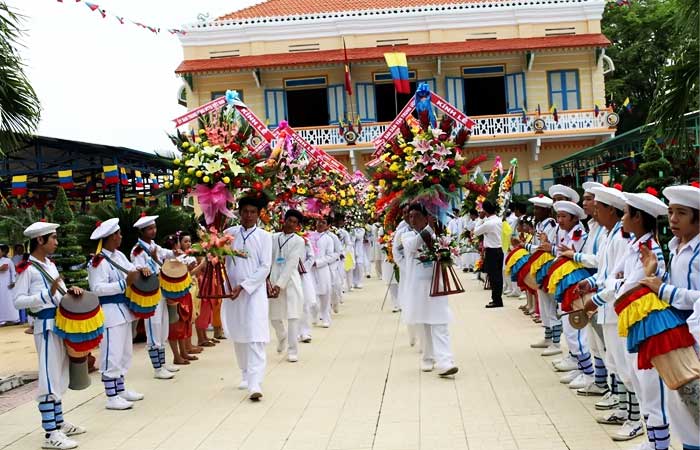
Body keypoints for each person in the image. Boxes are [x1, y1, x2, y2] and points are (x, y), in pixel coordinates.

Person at [585, 190, 669, 444]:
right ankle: (649, 436)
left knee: (645, 381)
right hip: (626, 315)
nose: (623, 218)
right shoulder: (634, 245)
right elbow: (614, 276)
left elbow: (630, 285)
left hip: (642, 320)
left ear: (639, 218)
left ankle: (652, 436)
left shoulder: (650, 251)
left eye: (627, 213)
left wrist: (601, 295)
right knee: (628, 371)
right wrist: (605, 286)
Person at [637, 184, 700, 450]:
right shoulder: (676, 247)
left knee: (694, 406)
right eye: (671, 212)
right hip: (679, 336)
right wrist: (655, 274)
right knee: (682, 408)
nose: (673, 219)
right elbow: (674, 285)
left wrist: (663, 289)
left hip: (695, 336)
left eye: (681, 213)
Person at [13, 222, 86, 450]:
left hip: (61, 322)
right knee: (48, 377)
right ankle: (50, 433)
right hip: (44, 326)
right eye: (52, 238)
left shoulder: (50, 265)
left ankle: (59, 422)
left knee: (59, 375)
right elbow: (18, 300)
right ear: (40, 241)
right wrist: (47, 294)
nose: (56, 241)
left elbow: (58, 291)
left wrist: (70, 290)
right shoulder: (28, 269)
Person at [558, 181, 610, 397]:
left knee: (607, 347)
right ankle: (597, 380)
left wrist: (575, 256)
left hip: (601, 292)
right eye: (586, 198)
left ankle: (607, 387)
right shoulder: (595, 227)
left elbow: (600, 262)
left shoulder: (608, 232)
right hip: (590, 288)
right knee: (595, 342)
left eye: (590, 199)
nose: (586, 203)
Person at [87, 218, 145, 410]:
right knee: (111, 353)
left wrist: (141, 270)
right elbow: (96, 288)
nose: (120, 237)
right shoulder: (98, 261)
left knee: (124, 352)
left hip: (124, 310)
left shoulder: (118, 255)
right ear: (111, 236)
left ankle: (120, 390)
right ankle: (111, 396)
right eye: (118, 234)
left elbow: (131, 270)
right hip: (109, 312)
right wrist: (123, 284)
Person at [223, 196, 272, 401]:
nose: (249, 215)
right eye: (245, 211)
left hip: (254, 292)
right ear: (239, 212)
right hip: (232, 292)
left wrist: (244, 286)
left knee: (255, 335)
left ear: (259, 213)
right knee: (239, 334)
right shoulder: (229, 234)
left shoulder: (264, 237)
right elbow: (219, 258)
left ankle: (255, 382)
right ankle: (244, 373)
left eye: (253, 211)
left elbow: (265, 267)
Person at [402, 203, 458, 377]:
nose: (413, 220)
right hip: (417, 286)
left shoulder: (437, 234)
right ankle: (428, 357)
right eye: (410, 217)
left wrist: (438, 236)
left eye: (417, 216)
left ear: (426, 217)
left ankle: (445, 361)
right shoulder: (406, 236)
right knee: (424, 323)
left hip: (437, 284)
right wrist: (427, 229)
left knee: (440, 321)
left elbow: (450, 254)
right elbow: (412, 247)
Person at [131, 214, 178, 380]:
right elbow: (138, 269)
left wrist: (174, 253)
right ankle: (157, 368)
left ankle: (163, 363)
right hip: (149, 292)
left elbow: (166, 253)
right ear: (142, 231)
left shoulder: (153, 246)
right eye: (150, 228)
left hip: (161, 289)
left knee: (163, 326)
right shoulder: (137, 250)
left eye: (154, 227)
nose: (153, 231)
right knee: (154, 327)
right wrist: (149, 265)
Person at [523, 195, 560, 354]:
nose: (535, 211)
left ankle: (556, 343)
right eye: (535, 208)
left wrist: (528, 247)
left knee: (550, 304)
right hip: (539, 266)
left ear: (546, 210)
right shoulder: (540, 225)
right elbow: (538, 247)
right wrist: (526, 246)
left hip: (548, 267)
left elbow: (546, 247)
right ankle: (547, 336)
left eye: (538, 209)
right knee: (543, 305)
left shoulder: (551, 225)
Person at [269, 209, 306, 363]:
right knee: (274, 316)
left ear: (298, 226)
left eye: (295, 222)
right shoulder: (273, 237)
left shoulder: (299, 241)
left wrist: (280, 285)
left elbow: (291, 263)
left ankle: (292, 350)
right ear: (284, 220)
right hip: (273, 278)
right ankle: (281, 335)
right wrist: (272, 282)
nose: (291, 224)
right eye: (289, 220)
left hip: (290, 281)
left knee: (292, 316)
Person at [473, 201, 504, 308]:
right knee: (498, 276)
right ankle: (497, 298)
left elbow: (476, 232)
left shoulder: (488, 223)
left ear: (485, 211)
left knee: (493, 276)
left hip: (492, 251)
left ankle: (497, 300)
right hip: (499, 250)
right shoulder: (498, 220)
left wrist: (480, 218)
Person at [312, 216, 338, 328]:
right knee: (312, 294)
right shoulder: (309, 236)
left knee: (325, 294)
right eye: (318, 222)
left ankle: (325, 317)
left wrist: (318, 262)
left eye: (323, 222)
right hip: (310, 270)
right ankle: (314, 316)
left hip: (322, 269)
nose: (320, 224)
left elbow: (331, 255)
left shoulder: (328, 239)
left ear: (327, 226)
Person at [0, 244, 19, 325]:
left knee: (9, 301)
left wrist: (13, 282)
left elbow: (13, 272)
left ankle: (14, 319)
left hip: (7, 285)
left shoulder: (8, 261)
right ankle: (2, 319)